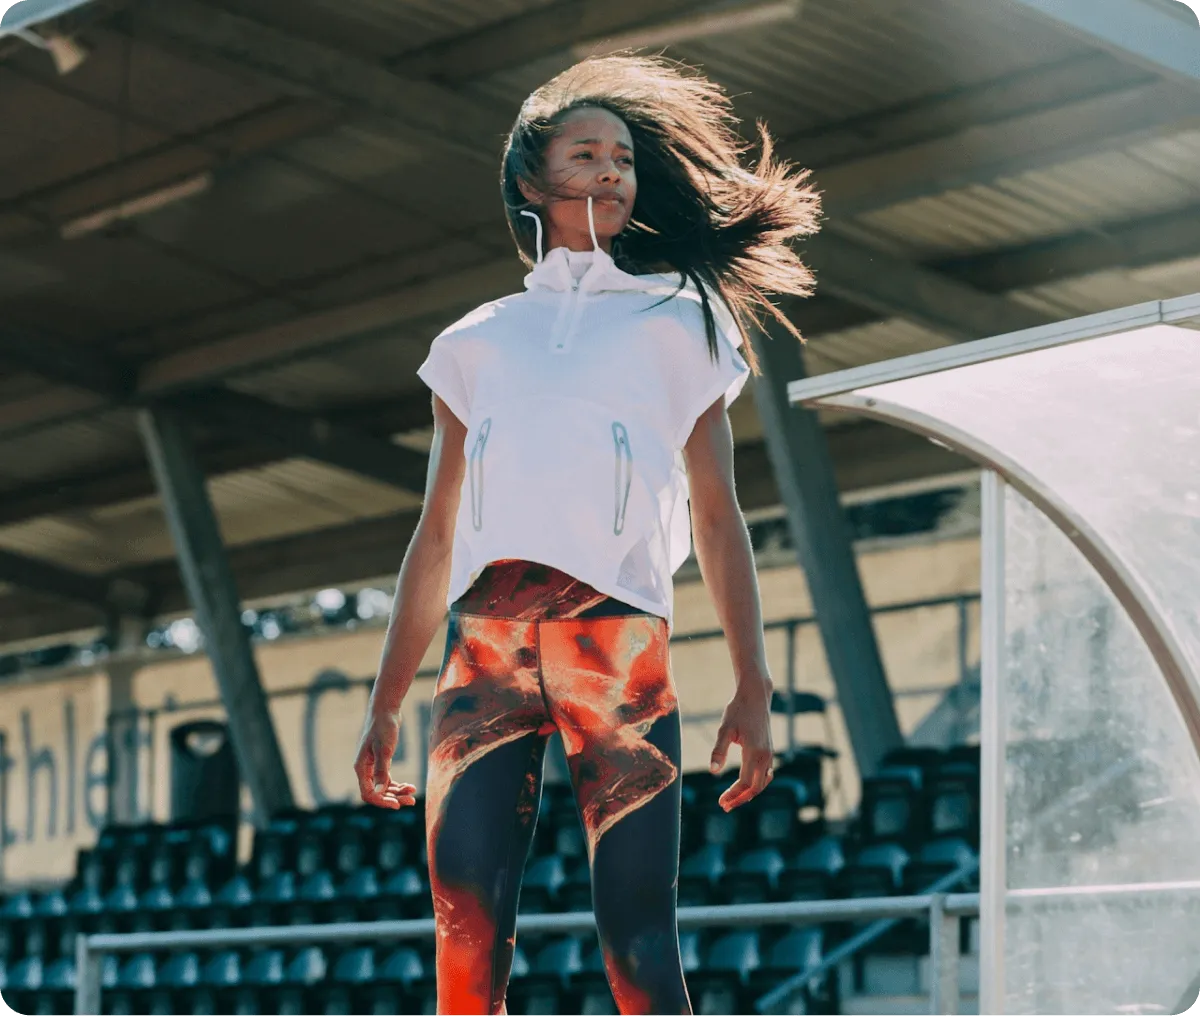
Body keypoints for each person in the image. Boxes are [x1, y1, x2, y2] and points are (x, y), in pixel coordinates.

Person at [353, 52, 821, 1016]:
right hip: (480, 657)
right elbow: (435, 536)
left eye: (624, 158)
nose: (612, 170)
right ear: (533, 182)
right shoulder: (474, 341)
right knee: (462, 934)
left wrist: (754, 681)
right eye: (586, 154)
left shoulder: (680, 321)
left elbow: (717, 515)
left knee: (639, 935)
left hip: (617, 654)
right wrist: (386, 701)